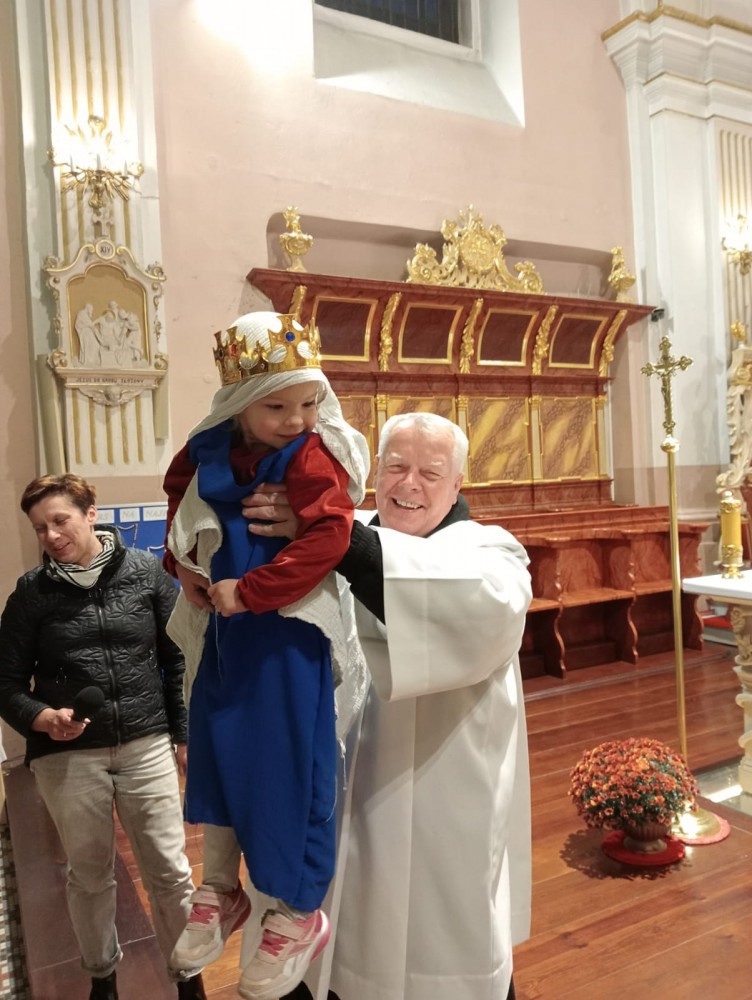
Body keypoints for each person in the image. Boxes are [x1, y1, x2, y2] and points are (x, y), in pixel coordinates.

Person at [245, 411, 533, 1000]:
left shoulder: (491, 551)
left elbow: (475, 609)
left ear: (458, 483)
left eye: (431, 473)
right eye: (397, 467)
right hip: (329, 781)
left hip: (434, 789)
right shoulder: (334, 528)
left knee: (434, 933)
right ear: (375, 471)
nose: (410, 484)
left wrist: (334, 537)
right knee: (325, 928)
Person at [162, 311, 369, 1000]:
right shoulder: (209, 448)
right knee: (218, 751)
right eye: (277, 407)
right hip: (225, 632)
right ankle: (221, 889)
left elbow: (329, 538)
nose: (297, 420)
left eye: (308, 403)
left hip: (284, 635)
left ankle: (297, 911)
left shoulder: (309, 456)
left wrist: (251, 591)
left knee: (290, 766)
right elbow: (179, 501)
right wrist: (181, 567)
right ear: (240, 404)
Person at [0, 473, 206, 1000]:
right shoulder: (31, 594)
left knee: (170, 871)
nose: (50, 536)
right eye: (40, 528)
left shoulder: (145, 573)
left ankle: (188, 978)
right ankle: (102, 978)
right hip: (67, 755)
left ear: (91, 513)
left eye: (60, 521)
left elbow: (177, 659)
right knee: (89, 875)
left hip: (146, 741)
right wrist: (42, 718)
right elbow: (6, 684)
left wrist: (184, 735)